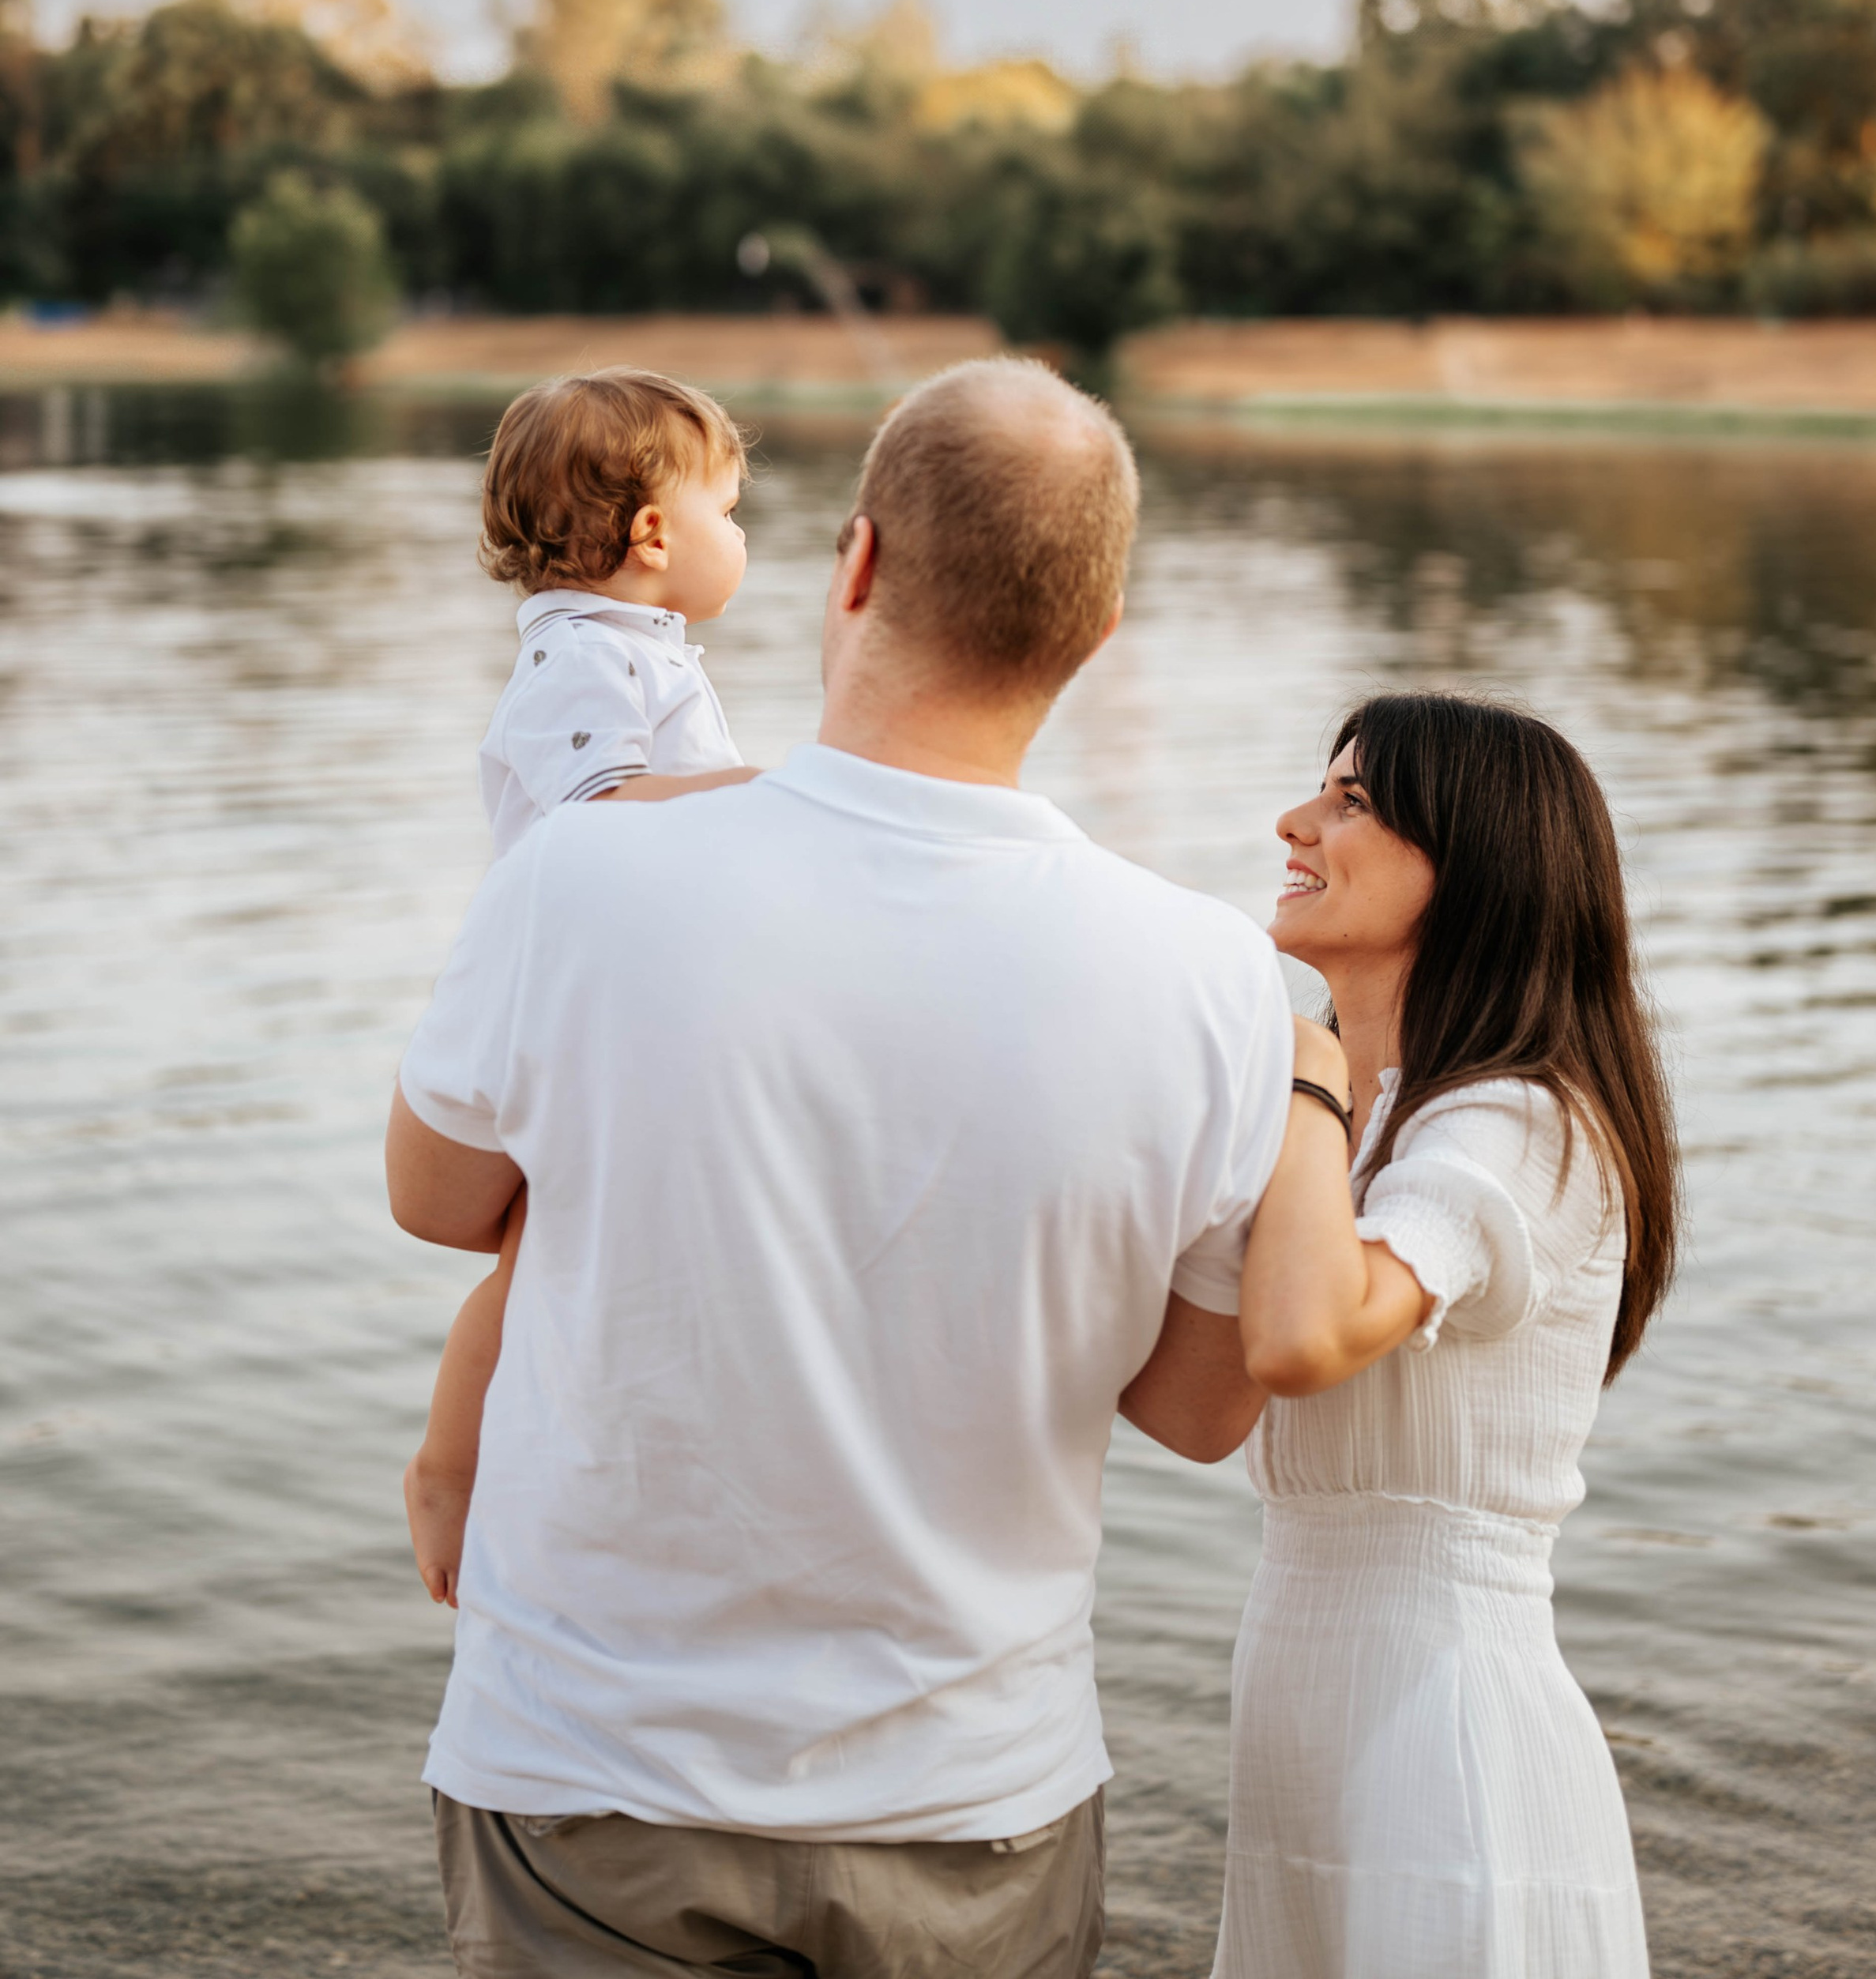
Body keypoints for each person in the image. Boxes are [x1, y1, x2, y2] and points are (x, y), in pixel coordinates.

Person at [385, 358, 1294, 1979]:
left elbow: (437, 1200)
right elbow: (1200, 1408)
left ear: (856, 562)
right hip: (974, 1802)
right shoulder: (1216, 975)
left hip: (596, 1780)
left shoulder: (579, 871)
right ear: (1095, 635)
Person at [1216, 694, 1680, 1979]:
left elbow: (1304, 1340)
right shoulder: (1344, 1124)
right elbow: (1197, 1409)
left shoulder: (1522, 1123)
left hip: (1446, 1725)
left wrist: (1302, 1076)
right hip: (1299, 1699)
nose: (1294, 822)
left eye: (1353, 802)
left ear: (1475, 867)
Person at [404, 368, 760, 1610]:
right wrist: (772, 797)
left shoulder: (629, 649)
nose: (742, 539)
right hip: (578, 1003)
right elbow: (598, 811)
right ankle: (449, 1466)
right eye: (730, 512)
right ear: (654, 532)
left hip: (629, 992)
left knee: (555, 1248)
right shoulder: (584, 659)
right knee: (532, 1253)